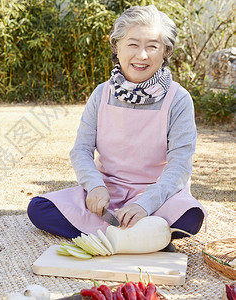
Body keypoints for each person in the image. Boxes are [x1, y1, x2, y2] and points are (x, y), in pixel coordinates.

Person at [27, 5, 206, 245]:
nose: (142, 55)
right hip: (108, 192)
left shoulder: (178, 98)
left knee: (189, 219)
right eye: (133, 44)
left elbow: (179, 166)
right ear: (117, 47)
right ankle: (141, 236)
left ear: (165, 52)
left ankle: (116, 232)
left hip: (158, 195)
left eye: (152, 46)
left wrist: (145, 204)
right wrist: (94, 187)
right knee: (38, 208)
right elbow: (81, 150)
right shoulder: (101, 93)